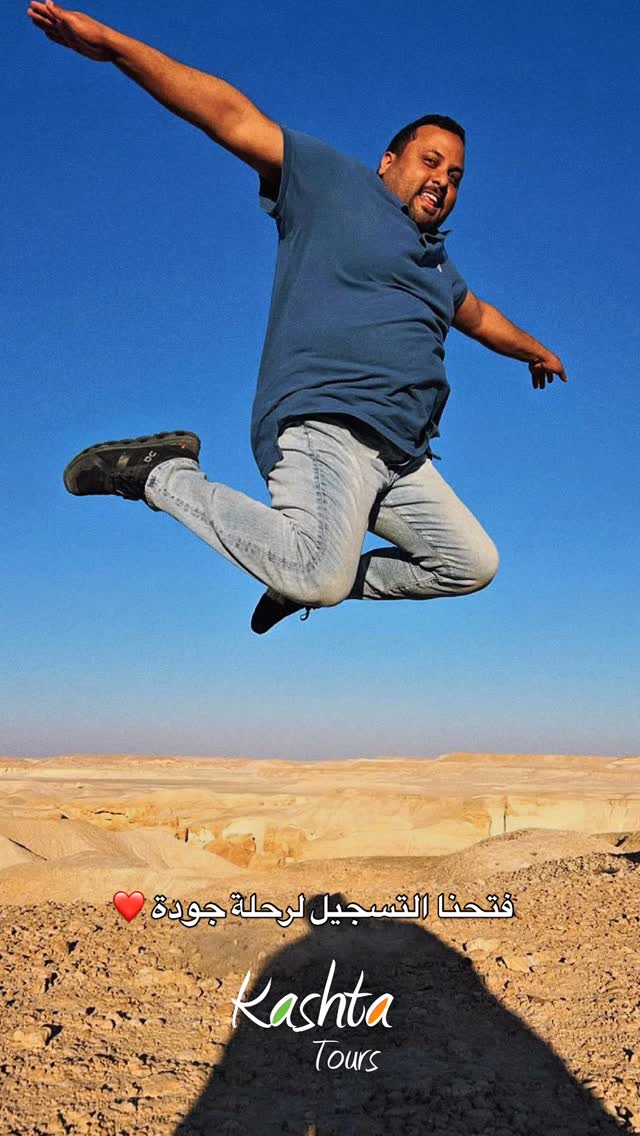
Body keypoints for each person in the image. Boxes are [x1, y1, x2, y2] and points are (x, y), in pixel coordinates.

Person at [29, 1, 568, 635]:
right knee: (318, 574)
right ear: (388, 162)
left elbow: (478, 316)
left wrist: (535, 349)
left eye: (455, 176)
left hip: (402, 456)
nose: (442, 181)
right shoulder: (334, 186)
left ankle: (295, 568)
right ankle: (162, 474)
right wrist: (115, 47)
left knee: (470, 564)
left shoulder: (438, 267)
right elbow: (229, 115)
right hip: (327, 420)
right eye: (430, 161)